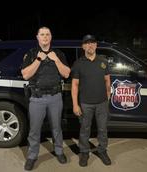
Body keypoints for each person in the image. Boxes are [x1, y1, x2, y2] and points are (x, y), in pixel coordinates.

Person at [21, 26, 70, 171]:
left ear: (51, 37)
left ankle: (59, 151)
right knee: (35, 130)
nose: (45, 37)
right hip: (37, 98)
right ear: (37, 37)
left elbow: (66, 74)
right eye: (42, 34)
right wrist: (38, 59)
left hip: (55, 97)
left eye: (47, 34)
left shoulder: (59, 54)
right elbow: (26, 75)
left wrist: (56, 60)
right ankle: (32, 156)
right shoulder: (30, 54)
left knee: (57, 128)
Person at [71, 34, 111, 167]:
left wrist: (108, 96)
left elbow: (107, 81)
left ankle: (102, 151)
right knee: (84, 129)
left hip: (102, 103)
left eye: (93, 43)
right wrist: (75, 105)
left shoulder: (103, 62)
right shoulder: (78, 64)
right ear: (83, 46)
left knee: (102, 129)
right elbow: (75, 85)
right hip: (85, 104)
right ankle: (84, 152)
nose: (90, 45)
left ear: (96, 45)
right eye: (87, 43)